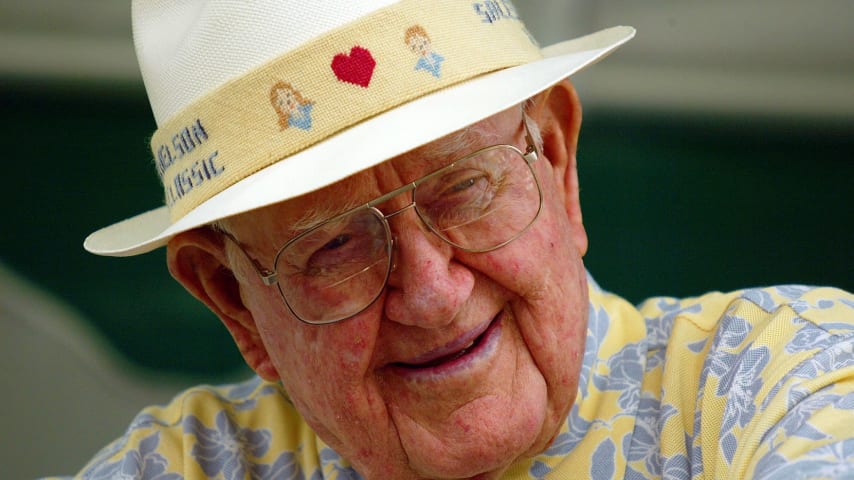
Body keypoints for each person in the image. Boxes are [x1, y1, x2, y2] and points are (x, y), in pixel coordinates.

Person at [55, 1, 853, 479]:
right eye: (335, 246)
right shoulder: (183, 469)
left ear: (559, 162)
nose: (434, 294)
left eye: (465, 188)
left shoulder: (791, 378)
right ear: (231, 298)